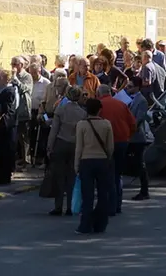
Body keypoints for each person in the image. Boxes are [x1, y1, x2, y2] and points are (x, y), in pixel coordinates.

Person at [74, 98, 114, 235]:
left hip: (86, 161)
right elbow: (110, 146)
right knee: (103, 194)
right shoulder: (106, 124)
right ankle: (100, 224)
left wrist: (76, 164)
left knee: (88, 195)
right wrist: (107, 158)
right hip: (102, 160)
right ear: (99, 110)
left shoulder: (81, 125)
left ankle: (85, 225)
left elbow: (79, 147)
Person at [95, 84, 136, 215]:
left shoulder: (99, 106)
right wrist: (128, 136)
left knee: (107, 175)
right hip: (122, 141)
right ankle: (117, 204)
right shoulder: (121, 104)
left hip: (106, 143)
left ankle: (109, 205)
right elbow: (133, 123)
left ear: (99, 93)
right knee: (117, 174)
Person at [46, 87, 86, 216]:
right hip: (75, 144)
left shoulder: (61, 109)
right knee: (72, 176)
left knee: (59, 176)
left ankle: (58, 207)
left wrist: (49, 146)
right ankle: (70, 206)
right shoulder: (82, 113)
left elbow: (54, 130)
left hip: (61, 142)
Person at [126, 77, 153, 200]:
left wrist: (130, 127)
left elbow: (139, 118)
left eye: (130, 86)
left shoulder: (141, 100)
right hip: (129, 136)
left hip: (137, 137)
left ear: (137, 87)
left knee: (140, 164)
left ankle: (144, 190)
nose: (128, 88)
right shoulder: (129, 98)